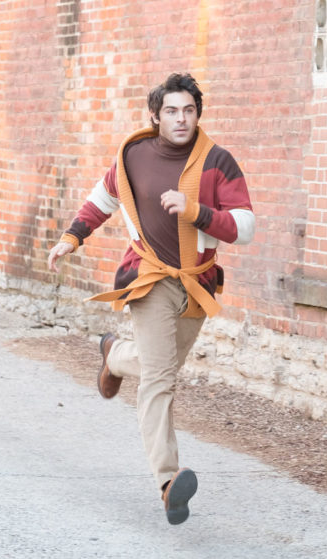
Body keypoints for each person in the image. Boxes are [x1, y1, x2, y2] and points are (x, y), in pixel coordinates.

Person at [47, 72, 255, 525]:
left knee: (160, 367)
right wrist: (71, 238)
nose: (181, 119)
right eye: (171, 111)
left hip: (197, 283)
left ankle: (114, 356)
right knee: (160, 379)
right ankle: (167, 482)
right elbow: (103, 199)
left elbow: (245, 227)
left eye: (189, 111)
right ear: (156, 116)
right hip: (149, 277)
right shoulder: (134, 155)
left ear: (198, 114)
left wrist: (196, 211)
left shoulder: (218, 161)